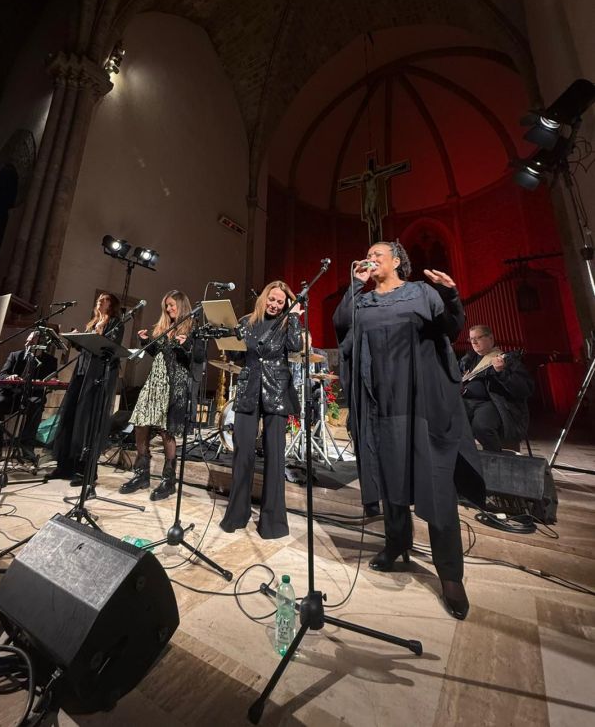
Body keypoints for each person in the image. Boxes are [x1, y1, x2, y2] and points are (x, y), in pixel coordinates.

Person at [333, 241, 485, 620]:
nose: (370, 258)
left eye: (377, 254)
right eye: (366, 254)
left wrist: (450, 294)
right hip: (379, 404)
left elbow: (450, 328)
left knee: (436, 484)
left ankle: (450, 575)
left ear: (397, 261)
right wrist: (355, 284)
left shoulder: (420, 292)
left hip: (421, 405)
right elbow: (341, 325)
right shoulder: (363, 301)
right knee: (389, 477)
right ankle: (396, 544)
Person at [219, 280, 302, 539]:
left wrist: (295, 318)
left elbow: (296, 347)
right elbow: (238, 357)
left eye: (281, 302)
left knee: (275, 455)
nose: (275, 305)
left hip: (277, 390)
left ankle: (273, 522)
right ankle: (237, 514)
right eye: (272, 299)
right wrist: (227, 338)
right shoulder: (247, 322)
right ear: (264, 297)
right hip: (248, 388)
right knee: (242, 452)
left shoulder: (288, 323)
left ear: (286, 303)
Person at [119, 290, 203, 500]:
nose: (168, 309)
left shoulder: (192, 328)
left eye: (172, 305)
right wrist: (147, 341)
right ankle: (142, 473)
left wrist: (187, 346)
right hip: (154, 382)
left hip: (173, 384)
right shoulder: (164, 327)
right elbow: (158, 354)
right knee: (140, 424)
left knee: (166, 431)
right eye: (166, 306)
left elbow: (197, 358)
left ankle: (168, 480)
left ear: (182, 305)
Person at [50, 292, 123, 482]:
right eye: (98, 298)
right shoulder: (92, 322)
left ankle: (86, 471)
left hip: (98, 377)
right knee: (71, 416)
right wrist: (77, 339)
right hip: (82, 373)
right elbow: (85, 349)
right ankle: (65, 466)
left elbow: (109, 349)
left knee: (88, 422)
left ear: (112, 304)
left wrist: (98, 332)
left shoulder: (116, 324)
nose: (100, 300)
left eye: (104, 299)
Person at [0, 331, 57, 467]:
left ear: (41, 345)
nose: (27, 343)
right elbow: (2, 374)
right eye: (27, 341)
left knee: (37, 404)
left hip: (32, 395)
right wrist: (10, 377)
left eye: (31, 342)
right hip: (10, 394)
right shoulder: (15, 355)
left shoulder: (50, 361)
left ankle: (27, 447)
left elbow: (50, 381)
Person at [459, 325, 533, 452]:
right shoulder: (468, 361)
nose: (474, 342)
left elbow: (525, 388)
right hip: (465, 401)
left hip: (492, 404)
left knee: (481, 426)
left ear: (491, 338)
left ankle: (497, 461)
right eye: (471, 339)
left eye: (478, 338)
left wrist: (501, 372)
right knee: (445, 421)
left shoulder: (507, 360)